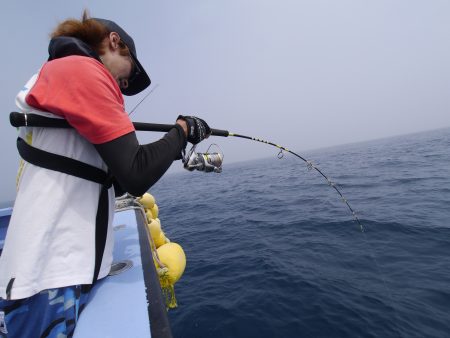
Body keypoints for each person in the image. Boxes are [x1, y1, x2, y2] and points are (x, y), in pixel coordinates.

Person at [0, 10, 210, 337]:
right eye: (127, 77)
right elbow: (136, 172)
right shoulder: (82, 69)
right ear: (114, 42)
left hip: (57, 271)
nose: (123, 87)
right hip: (49, 278)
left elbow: (104, 169)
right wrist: (182, 131)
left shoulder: (66, 71)